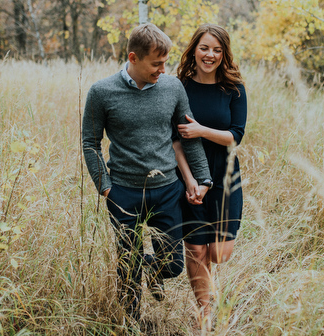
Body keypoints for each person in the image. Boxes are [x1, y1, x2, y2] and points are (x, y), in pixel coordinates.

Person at [82, 23, 212, 323]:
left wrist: (203, 178)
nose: (162, 69)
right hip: (123, 193)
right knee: (127, 266)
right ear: (133, 57)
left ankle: (153, 270)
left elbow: (186, 134)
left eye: (165, 62)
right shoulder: (102, 92)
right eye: (156, 63)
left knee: (173, 264)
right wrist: (105, 187)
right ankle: (132, 324)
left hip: (167, 189)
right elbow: (90, 143)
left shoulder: (172, 87)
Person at [173, 24, 247, 330]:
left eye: (217, 50)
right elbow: (174, 140)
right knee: (196, 249)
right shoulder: (179, 87)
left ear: (224, 53)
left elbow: (236, 136)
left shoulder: (234, 88)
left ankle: (209, 294)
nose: (210, 55)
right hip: (188, 175)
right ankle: (205, 311)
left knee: (218, 253)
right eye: (204, 48)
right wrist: (190, 181)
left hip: (225, 175)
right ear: (194, 49)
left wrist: (201, 130)